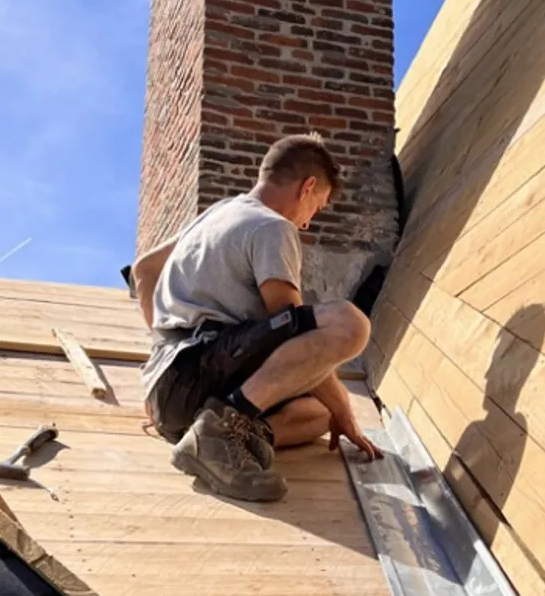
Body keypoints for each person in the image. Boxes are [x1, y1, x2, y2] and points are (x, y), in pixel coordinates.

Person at [133, 133, 382, 503]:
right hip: (199, 372)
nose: (308, 222)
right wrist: (345, 406)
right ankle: (217, 434)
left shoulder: (218, 213)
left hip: (168, 397)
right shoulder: (272, 226)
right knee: (349, 323)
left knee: (319, 413)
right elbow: (288, 326)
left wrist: (165, 349)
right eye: (317, 207)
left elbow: (144, 270)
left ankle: (208, 436)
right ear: (308, 186)